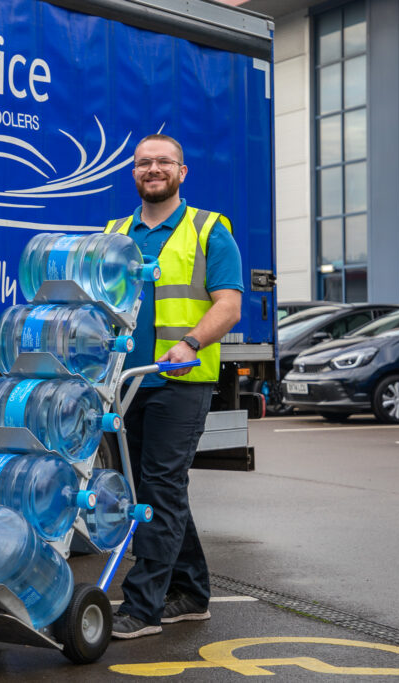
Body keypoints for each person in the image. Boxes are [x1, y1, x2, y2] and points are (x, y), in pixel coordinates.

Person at [106, 134, 243, 639]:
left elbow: (228, 305)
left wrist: (189, 343)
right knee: (149, 489)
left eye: (164, 162)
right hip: (125, 383)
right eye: (144, 163)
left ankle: (142, 607)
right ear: (134, 173)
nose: (154, 169)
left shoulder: (209, 230)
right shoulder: (115, 233)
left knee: (160, 488)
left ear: (182, 172)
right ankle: (191, 594)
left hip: (180, 383)